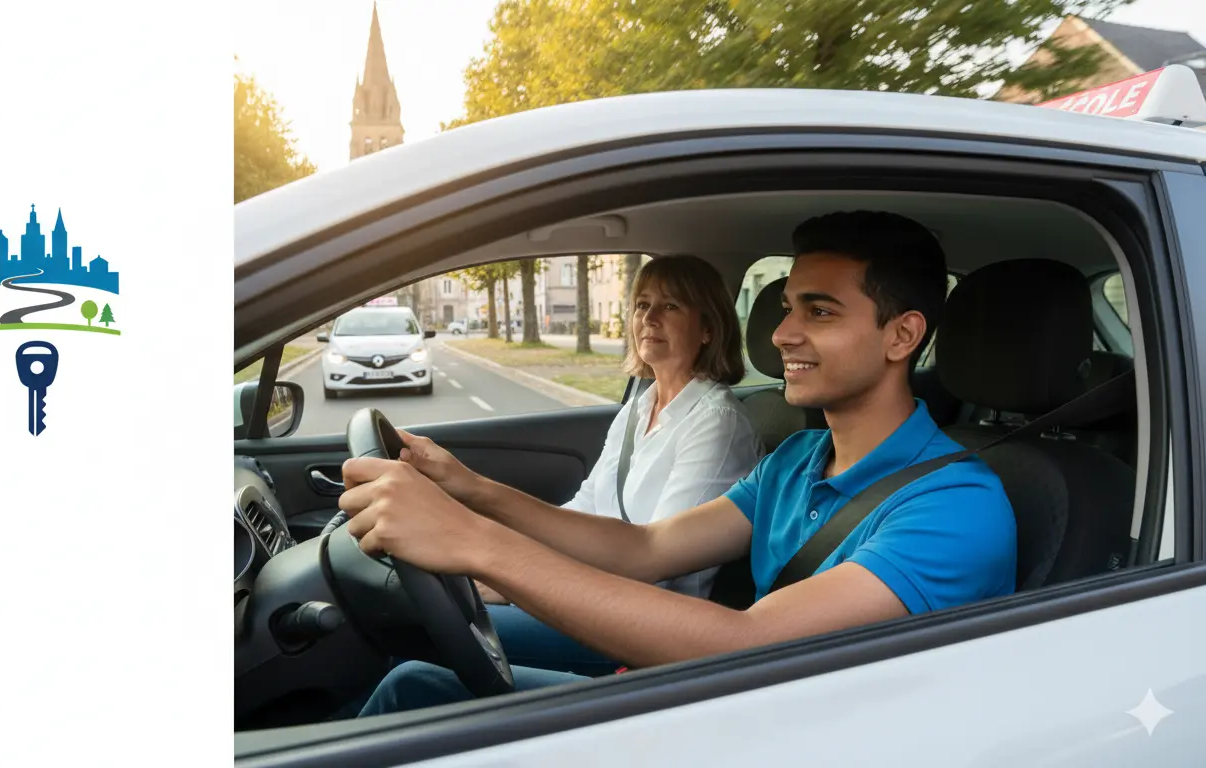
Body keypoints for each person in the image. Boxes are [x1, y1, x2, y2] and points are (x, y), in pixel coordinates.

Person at [341, 211, 1018, 716]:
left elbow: (748, 642)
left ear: (902, 335)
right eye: (786, 308)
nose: (781, 334)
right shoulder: (798, 457)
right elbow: (646, 546)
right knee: (413, 688)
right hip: (725, 703)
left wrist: (474, 546)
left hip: (794, 730)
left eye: (820, 311)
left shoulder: (957, 505)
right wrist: (472, 491)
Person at [403, 254, 761, 676]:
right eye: (642, 305)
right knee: (427, 617)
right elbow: (586, 505)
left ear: (708, 329)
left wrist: (516, 580)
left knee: (426, 633)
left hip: (639, 624)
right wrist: (510, 572)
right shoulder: (639, 407)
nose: (650, 318)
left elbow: (656, 568)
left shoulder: (717, 424)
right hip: (592, 592)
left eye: (671, 306)